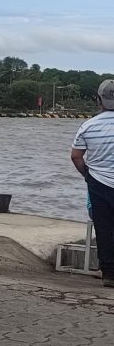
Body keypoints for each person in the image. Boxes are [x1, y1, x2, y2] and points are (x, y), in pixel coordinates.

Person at [71, 79, 114, 288]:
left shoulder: (88, 125)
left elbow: (76, 156)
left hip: (98, 183)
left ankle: (109, 275)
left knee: (104, 229)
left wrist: (88, 175)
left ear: (98, 100)